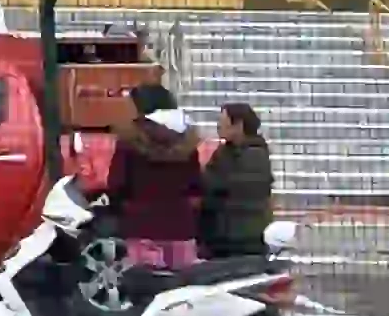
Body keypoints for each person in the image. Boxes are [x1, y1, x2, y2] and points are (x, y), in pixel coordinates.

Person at [105, 81, 204, 275]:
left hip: (141, 225)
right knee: (183, 287)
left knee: (146, 287)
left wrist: (122, 206)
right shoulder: (187, 143)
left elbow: (117, 184)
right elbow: (196, 185)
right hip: (181, 226)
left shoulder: (130, 140)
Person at [198, 100, 275, 261]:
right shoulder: (224, 151)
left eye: (223, 122)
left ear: (238, 125)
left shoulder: (255, 154)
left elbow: (228, 186)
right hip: (220, 235)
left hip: (245, 237)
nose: (219, 126)